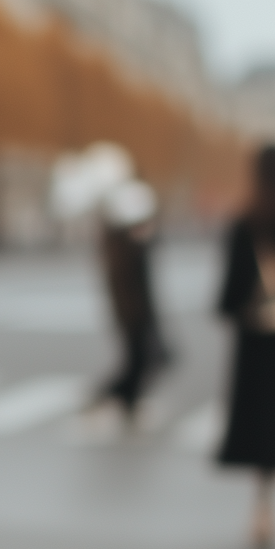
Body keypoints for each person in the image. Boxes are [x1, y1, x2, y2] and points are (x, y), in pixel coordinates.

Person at [217, 144, 275, 549]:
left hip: (258, 348)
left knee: (263, 435)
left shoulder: (246, 224)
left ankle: (264, 518)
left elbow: (228, 297)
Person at [92, 178, 169, 423]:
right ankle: (111, 397)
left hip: (134, 313)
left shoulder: (120, 243)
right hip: (133, 314)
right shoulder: (123, 245)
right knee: (139, 362)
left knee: (139, 361)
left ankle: (125, 401)